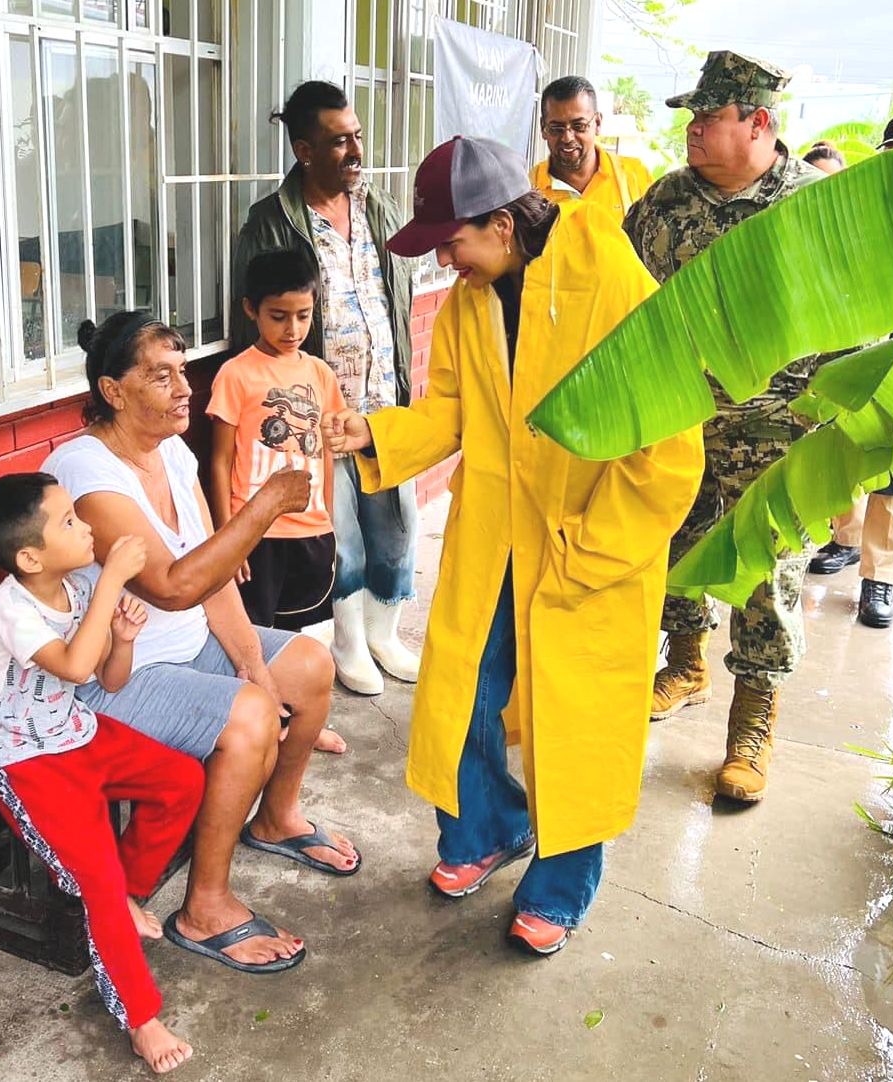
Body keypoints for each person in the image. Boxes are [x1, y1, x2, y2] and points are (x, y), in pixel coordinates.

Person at [323, 136, 704, 956]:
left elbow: (669, 446)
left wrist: (594, 548)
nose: (444, 264)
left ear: (499, 224)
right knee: (458, 695)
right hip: (493, 536)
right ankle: (487, 829)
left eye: (451, 243)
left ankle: (561, 886)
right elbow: (449, 412)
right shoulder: (471, 299)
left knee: (575, 725)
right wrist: (368, 429)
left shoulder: (611, 279)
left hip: (587, 543)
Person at [44, 310, 360, 978]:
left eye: (182, 371)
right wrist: (264, 506)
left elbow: (213, 575)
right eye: (160, 376)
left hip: (189, 648)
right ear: (114, 390)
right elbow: (171, 585)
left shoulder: (172, 450)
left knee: (307, 665)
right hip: (114, 675)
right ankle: (205, 906)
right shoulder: (84, 472)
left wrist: (257, 667)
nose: (183, 388)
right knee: (248, 714)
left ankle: (276, 817)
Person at [623, 50, 823, 803]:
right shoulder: (664, 203)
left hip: (777, 430)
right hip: (677, 421)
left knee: (763, 579)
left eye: (708, 118)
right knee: (671, 547)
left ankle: (752, 725)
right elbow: (619, 303)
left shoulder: (810, 203)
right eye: (691, 118)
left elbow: (855, 327)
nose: (693, 130)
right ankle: (684, 664)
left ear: (758, 122)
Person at [0, 473, 204, 1074]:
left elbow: (106, 680)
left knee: (180, 780)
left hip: (77, 733)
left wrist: (122, 637)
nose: (89, 528)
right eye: (70, 522)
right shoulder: (12, 607)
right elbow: (73, 666)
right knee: (91, 881)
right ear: (29, 556)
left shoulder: (74, 588)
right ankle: (141, 1017)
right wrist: (115, 584)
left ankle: (126, 891)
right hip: (25, 763)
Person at [231, 80, 417, 697]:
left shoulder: (379, 206)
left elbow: (397, 297)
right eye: (339, 141)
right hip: (316, 413)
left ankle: (384, 632)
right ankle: (346, 642)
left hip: (383, 400)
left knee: (395, 523)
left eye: (357, 135)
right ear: (304, 149)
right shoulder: (271, 221)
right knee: (340, 531)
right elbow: (255, 320)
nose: (355, 149)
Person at [808, 109, 893, 628]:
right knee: (848, 450)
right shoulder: (864, 211)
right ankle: (846, 540)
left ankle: (880, 579)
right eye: (892, 156)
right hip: (860, 350)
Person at [208, 250, 346, 632]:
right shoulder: (235, 375)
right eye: (279, 316)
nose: (293, 330)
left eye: (303, 315)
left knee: (301, 638)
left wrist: (330, 521)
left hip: (312, 532)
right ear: (251, 310)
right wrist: (228, 540)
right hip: (256, 535)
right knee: (256, 635)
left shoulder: (320, 373)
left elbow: (327, 453)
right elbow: (219, 461)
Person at [530, 75, 653, 221]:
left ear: (598, 123)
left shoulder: (635, 176)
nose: (567, 138)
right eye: (557, 128)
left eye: (579, 126)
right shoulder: (528, 189)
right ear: (543, 128)